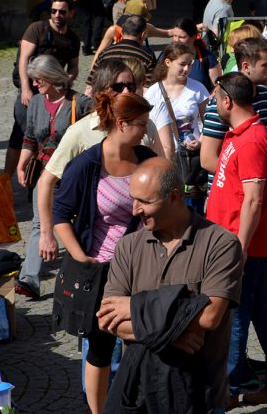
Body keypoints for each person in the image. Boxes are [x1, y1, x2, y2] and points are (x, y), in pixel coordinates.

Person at [98, 158, 243, 412]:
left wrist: (132, 307)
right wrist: (172, 336)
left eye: (144, 201)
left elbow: (209, 317)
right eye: (133, 199)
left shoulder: (221, 244)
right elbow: (109, 320)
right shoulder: (129, 246)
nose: (134, 210)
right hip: (138, 395)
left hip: (200, 397)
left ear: (175, 197)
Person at [52, 91, 156, 414]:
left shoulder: (146, 158)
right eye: (141, 124)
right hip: (102, 271)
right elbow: (60, 216)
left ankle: (131, 405)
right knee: (99, 348)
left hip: (143, 269)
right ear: (121, 124)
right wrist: (81, 257)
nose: (145, 130)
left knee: (139, 344)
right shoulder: (86, 165)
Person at [206, 73, 267, 406]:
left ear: (227, 101)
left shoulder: (253, 138)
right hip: (235, 243)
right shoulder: (239, 134)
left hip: (241, 247)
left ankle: (225, 390)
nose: (215, 105)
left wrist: (239, 248)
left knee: (235, 316)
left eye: (216, 99)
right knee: (261, 313)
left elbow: (254, 199)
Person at [34, 62, 169, 273]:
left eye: (131, 86)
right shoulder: (80, 134)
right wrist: (46, 234)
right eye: (118, 87)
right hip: (101, 261)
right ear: (102, 91)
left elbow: (162, 175)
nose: (126, 91)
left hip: (144, 259)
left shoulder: (144, 128)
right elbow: (47, 182)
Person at [14, 56, 93, 300]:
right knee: (40, 224)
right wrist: (21, 164)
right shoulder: (36, 102)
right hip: (43, 173)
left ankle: (81, 276)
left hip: (73, 175)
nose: (34, 85)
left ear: (51, 77)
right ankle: (30, 279)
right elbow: (29, 136)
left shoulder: (79, 103)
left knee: (77, 225)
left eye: (38, 80)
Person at [200, 37, 267, 213]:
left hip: (256, 195)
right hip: (228, 199)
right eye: (266, 65)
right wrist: (248, 181)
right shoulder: (220, 104)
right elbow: (208, 159)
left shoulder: (265, 96)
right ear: (246, 67)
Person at [6, 0, 81, 178]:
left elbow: (73, 67)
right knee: (23, 134)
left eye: (62, 11)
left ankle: (42, 176)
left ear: (71, 13)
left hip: (54, 94)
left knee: (50, 134)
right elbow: (23, 60)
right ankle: (7, 180)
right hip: (31, 90)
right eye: (53, 11)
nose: (56, 15)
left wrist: (64, 83)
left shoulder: (73, 39)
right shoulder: (37, 29)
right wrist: (25, 89)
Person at [144, 43, 209, 164]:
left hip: (190, 157)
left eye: (190, 64)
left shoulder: (198, 88)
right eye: (182, 64)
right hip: (163, 157)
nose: (187, 69)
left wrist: (200, 141)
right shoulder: (152, 93)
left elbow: (209, 121)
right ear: (168, 62)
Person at [89, 14, 156, 82]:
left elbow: (90, 86)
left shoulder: (104, 54)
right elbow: (149, 86)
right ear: (143, 35)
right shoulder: (147, 56)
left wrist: (92, 73)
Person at [170, 17, 221, 92]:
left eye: (182, 37)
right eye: (174, 36)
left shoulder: (207, 57)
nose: (176, 40)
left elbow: (217, 87)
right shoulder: (166, 55)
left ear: (193, 37)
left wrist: (206, 101)